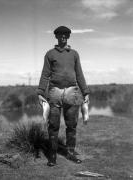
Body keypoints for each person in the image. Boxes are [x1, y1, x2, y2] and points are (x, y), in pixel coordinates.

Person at [37, 26, 90, 167]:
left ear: (68, 36)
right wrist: (40, 92)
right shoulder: (50, 54)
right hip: (54, 92)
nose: (63, 37)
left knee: (71, 125)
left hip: (72, 92)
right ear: (56, 36)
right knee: (53, 125)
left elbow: (79, 74)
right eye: (60, 34)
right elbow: (45, 74)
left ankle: (71, 153)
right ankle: (52, 155)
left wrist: (85, 92)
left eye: (65, 34)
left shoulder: (74, 54)